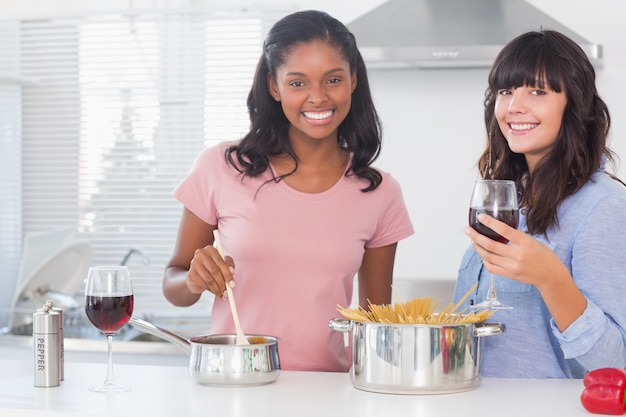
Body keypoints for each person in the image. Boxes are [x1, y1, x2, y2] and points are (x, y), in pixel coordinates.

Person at [162, 10, 414, 372]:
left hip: (331, 395)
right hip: (236, 386)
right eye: (297, 83)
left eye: (333, 80)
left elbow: (375, 326)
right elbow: (175, 288)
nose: (317, 98)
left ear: (353, 81)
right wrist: (193, 279)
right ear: (273, 86)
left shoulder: (380, 192)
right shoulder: (219, 167)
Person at [454, 29, 626, 378]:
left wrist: (551, 278)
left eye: (537, 91)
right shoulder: (511, 198)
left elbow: (614, 363)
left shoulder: (603, 207)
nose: (514, 106)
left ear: (573, 104)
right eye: (506, 91)